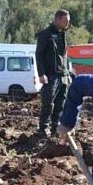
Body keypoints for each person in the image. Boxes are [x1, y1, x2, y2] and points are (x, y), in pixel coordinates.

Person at [35, 9, 70, 137]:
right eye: (65, 20)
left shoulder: (63, 34)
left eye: (68, 21)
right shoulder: (45, 34)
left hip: (62, 75)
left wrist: (68, 73)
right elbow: (39, 54)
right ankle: (43, 129)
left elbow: (64, 55)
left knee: (61, 104)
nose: (68, 23)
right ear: (57, 20)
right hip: (50, 75)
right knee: (48, 103)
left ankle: (56, 128)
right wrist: (41, 74)